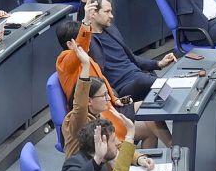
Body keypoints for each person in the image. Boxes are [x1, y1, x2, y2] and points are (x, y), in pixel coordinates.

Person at [56, 18, 171, 150]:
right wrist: (86, 20)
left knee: (149, 110)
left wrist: (115, 99)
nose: (89, 43)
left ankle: (155, 161)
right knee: (148, 125)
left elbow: (102, 80)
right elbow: (81, 43)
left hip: (108, 106)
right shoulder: (64, 61)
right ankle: (173, 149)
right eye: (85, 39)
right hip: (96, 118)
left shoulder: (86, 58)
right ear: (71, 44)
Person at [86, 0, 176, 102]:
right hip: (123, 86)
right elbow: (80, 36)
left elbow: (131, 57)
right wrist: (84, 1)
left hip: (138, 75)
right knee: (152, 83)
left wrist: (158, 63)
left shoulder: (111, 30)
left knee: (157, 88)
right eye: (107, 11)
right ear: (93, 13)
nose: (111, 16)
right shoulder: (88, 40)